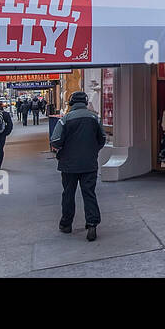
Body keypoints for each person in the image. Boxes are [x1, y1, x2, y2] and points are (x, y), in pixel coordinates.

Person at [50, 90, 107, 240]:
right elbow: (102, 138)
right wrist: (93, 150)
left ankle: (66, 224)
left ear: (71, 103)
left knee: (68, 193)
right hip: (89, 163)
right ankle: (92, 223)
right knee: (89, 193)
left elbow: (55, 140)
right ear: (86, 102)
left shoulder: (65, 119)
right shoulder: (94, 118)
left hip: (68, 165)